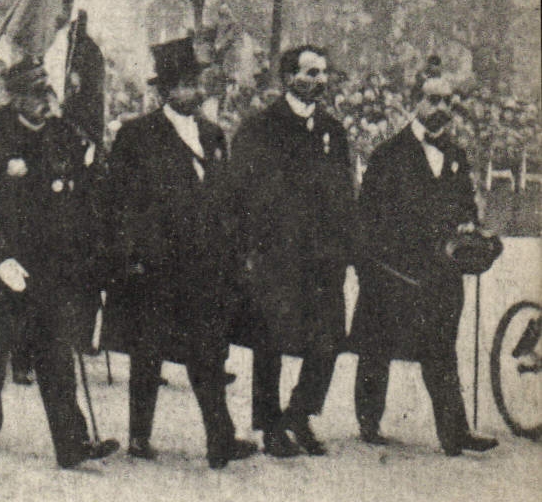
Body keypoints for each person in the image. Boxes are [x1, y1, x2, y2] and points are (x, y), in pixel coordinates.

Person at [104, 37, 257, 469]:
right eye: (185, 85)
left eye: (197, 84)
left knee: (208, 351)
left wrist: (234, 247)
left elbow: (225, 195)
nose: (194, 92)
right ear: (165, 91)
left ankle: (220, 438)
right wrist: (130, 254)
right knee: (147, 351)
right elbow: (120, 202)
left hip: (206, 263)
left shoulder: (212, 134)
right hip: (157, 263)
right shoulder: (137, 135)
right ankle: (139, 434)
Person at [0, 59, 118, 467]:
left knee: (55, 349)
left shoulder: (65, 137)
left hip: (53, 264)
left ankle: (72, 444)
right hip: (10, 267)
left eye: (45, 92)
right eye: (34, 94)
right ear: (15, 98)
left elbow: (85, 195)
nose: (43, 101)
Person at [350, 72, 498, 455]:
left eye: (448, 101)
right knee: (378, 347)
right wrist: (374, 268)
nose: (442, 109)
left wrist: (468, 223)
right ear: (415, 101)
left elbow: (465, 203)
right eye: (433, 100)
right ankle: (368, 420)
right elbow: (368, 217)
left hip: (441, 270)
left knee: (442, 349)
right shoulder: (388, 154)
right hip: (393, 271)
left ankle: (455, 434)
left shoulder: (455, 154)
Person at [228, 45, 355, 458]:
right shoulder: (260, 128)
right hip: (277, 253)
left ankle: (299, 413)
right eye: (310, 73)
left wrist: (344, 243)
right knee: (271, 341)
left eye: (323, 73)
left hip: (324, 257)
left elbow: (343, 192)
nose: (319, 80)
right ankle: (269, 427)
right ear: (288, 78)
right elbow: (244, 194)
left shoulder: (332, 131)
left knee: (330, 339)